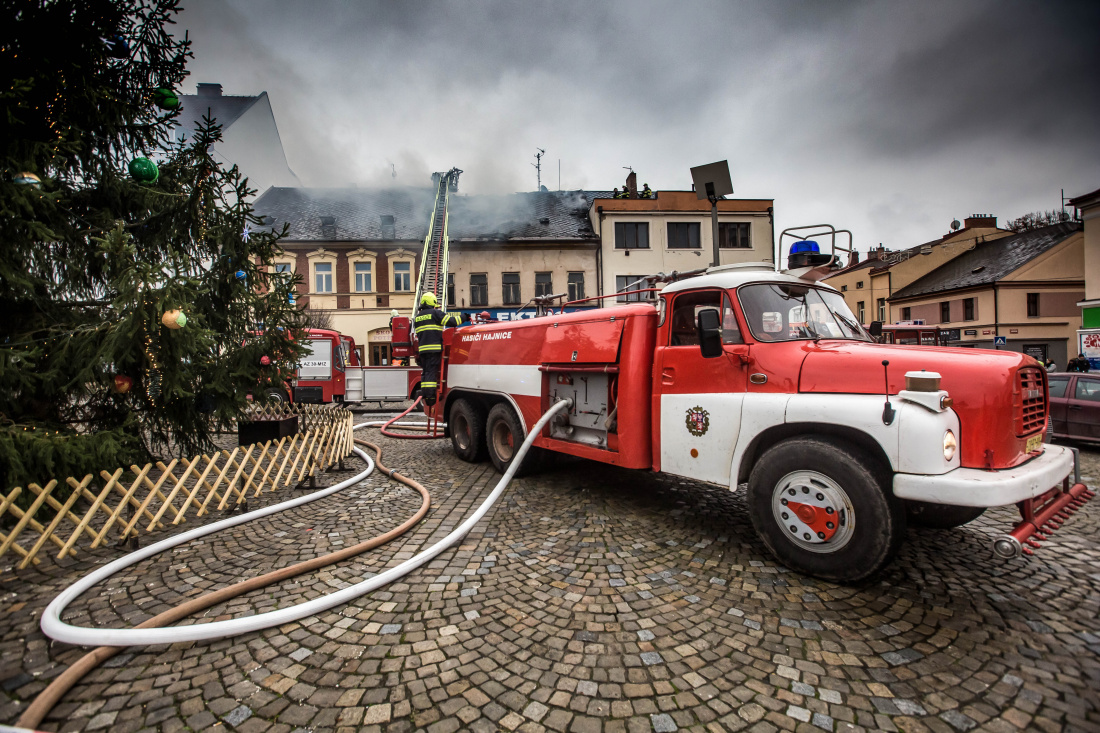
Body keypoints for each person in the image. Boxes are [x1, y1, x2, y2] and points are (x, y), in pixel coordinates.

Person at [413, 292, 462, 408]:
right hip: (433, 349)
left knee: (426, 372)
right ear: (432, 302)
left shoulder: (417, 318)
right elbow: (452, 322)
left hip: (422, 350)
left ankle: (426, 394)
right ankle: (431, 398)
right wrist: (464, 317)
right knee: (431, 372)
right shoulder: (435, 314)